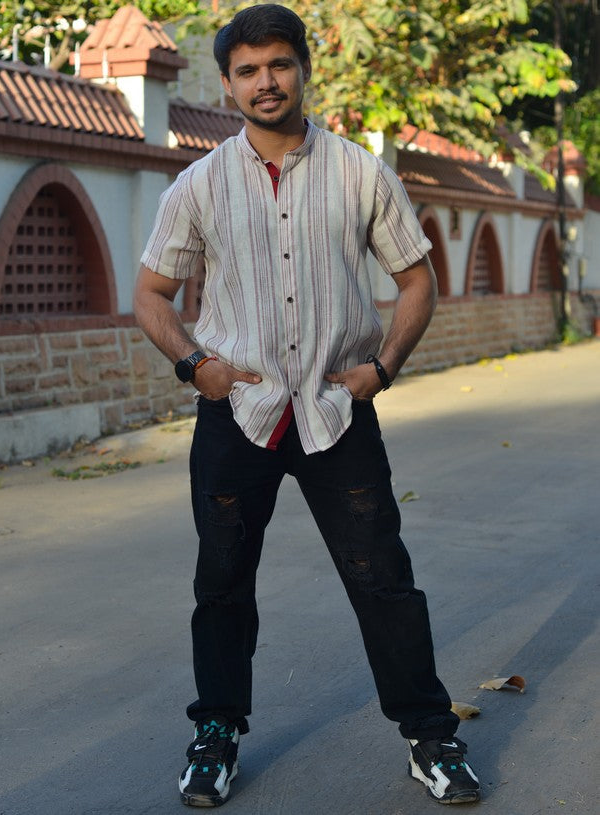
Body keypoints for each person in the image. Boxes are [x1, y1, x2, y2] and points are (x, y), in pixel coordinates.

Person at [134, 4, 480, 808]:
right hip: (239, 414)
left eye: (278, 65)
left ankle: (432, 737)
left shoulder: (362, 172)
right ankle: (215, 734)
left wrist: (382, 369)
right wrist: (196, 365)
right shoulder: (199, 184)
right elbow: (151, 294)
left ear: (303, 70)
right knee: (222, 579)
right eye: (248, 70)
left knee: (383, 577)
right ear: (226, 82)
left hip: (336, 409)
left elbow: (417, 279)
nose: (265, 82)